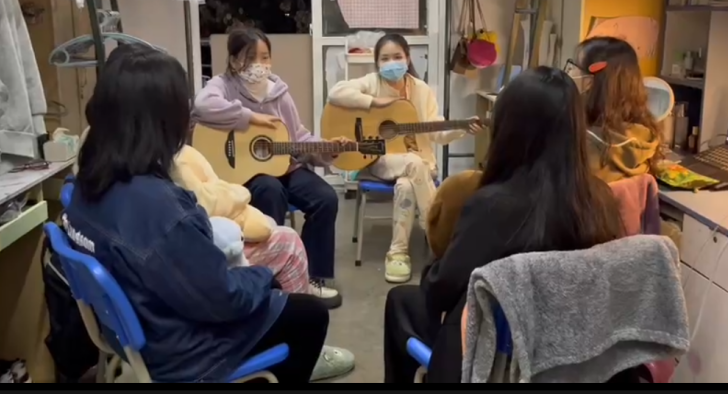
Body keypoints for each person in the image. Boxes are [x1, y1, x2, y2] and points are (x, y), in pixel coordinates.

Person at [66, 44, 328, 383]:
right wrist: (262, 277)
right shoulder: (160, 209)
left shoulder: (85, 184)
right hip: (179, 351)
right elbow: (224, 297)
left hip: (128, 332)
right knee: (309, 314)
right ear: (162, 122)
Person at [383, 66, 625, 383]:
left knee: (400, 301)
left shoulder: (492, 205)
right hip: (569, 356)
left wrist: (438, 250)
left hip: (493, 357)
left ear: (508, 130)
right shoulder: (602, 199)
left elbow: (438, 293)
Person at [193, 28, 343, 309]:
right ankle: (268, 278)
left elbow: (298, 139)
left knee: (325, 197)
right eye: (251, 57)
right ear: (234, 59)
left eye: (265, 57)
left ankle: (311, 277)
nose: (259, 64)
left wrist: (328, 149)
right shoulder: (223, 85)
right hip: (246, 174)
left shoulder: (279, 93)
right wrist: (251, 118)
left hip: (286, 167)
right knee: (269, 190)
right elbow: (203, 106)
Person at [327, 34, 481, 283]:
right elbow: (336, 92)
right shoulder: (372, 82)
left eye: (397, 57)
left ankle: (397, 253)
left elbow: (437, 132)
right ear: (377, 63)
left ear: (407, 58)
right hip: (380, 160)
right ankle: (441, 235)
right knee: (413, 163)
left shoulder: (421, 90)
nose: (392, 63)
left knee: (406, 184)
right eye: (385, 58)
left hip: (419, 164)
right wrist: (374, 102)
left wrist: (462, 128)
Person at [577, 36, 662, 183]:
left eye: (575, 68)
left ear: (590, 82)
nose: (570, 75)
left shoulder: (580, 147)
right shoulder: (646, 139)